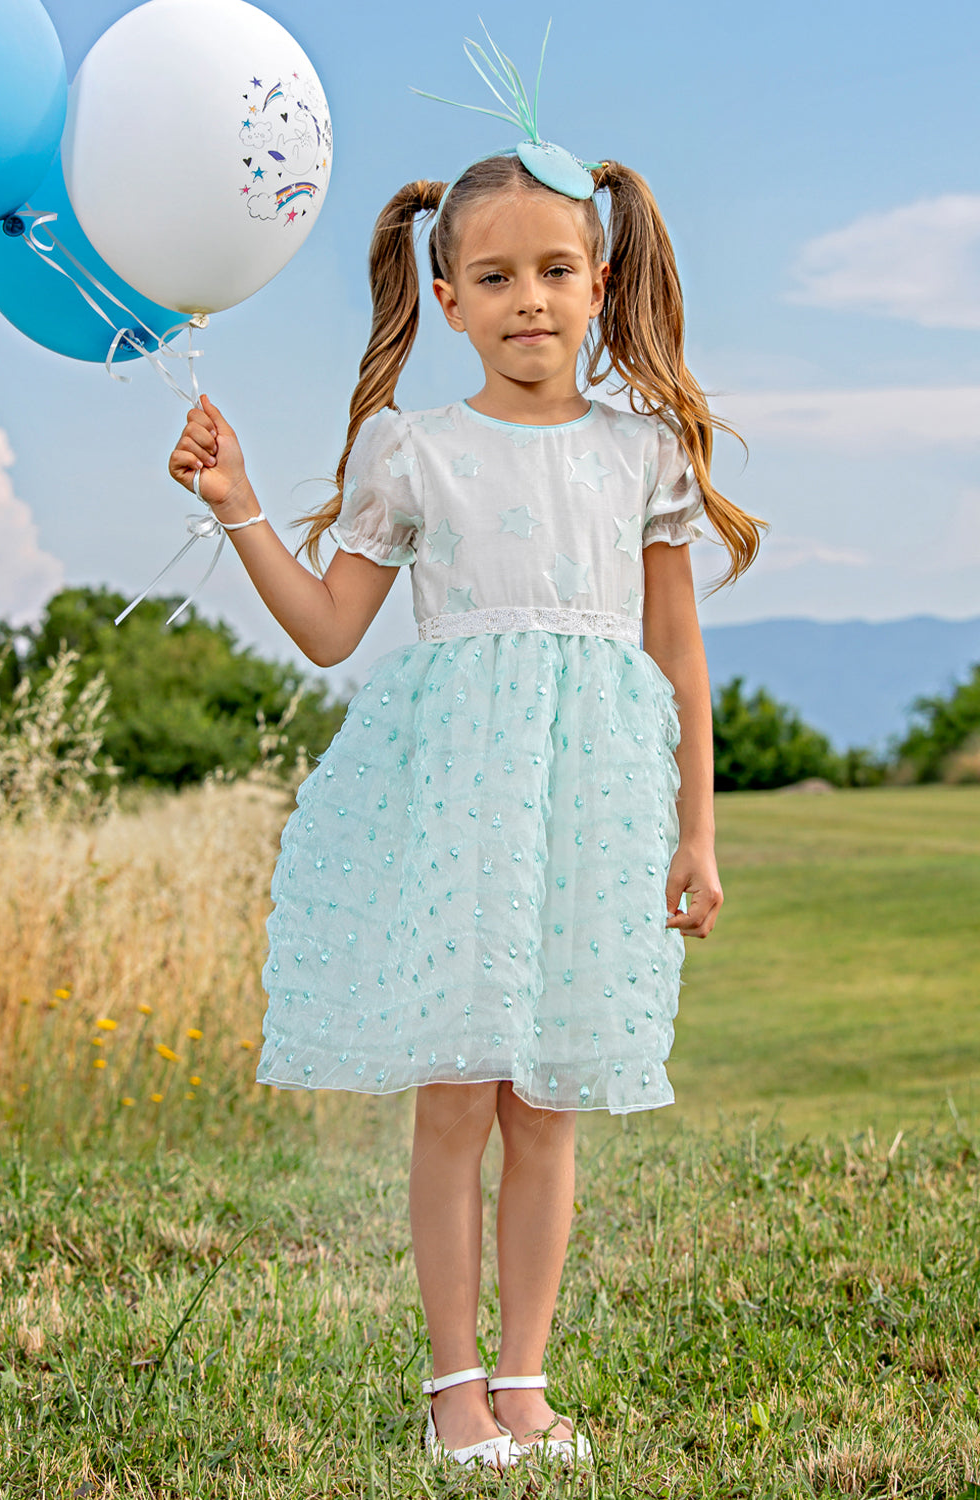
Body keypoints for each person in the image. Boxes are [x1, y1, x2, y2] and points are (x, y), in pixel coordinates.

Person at [169, 115, 762, 1471]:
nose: (528, 300)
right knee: (459, 1094)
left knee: (547, 1099)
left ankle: (527, 1382)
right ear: (446, 299)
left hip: (591, 803)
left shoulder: (645, 451)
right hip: (462, 808)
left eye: (556, 270)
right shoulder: (413, 450)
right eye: (493, 278)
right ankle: (452, 1390)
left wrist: (698, 832)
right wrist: (240, 501)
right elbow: (329, 627)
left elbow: (678, 654)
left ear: (599, 282)